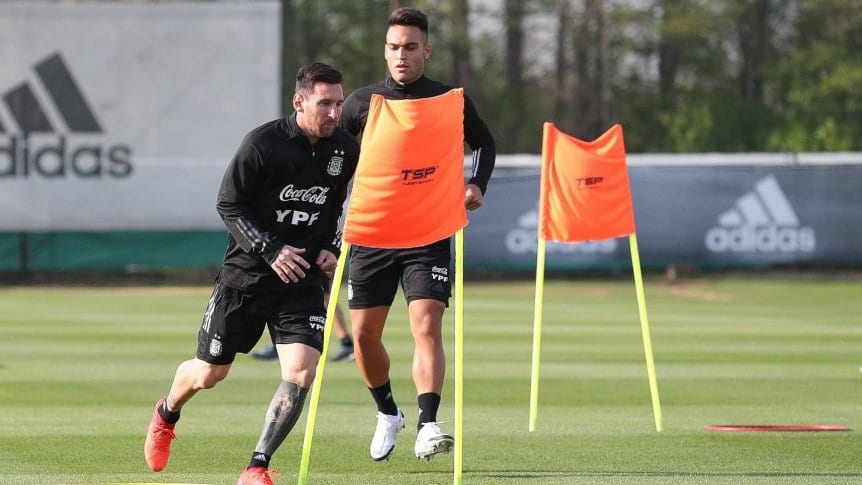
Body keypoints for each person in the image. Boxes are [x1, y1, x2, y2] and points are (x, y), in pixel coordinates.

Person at [144, 62, 359, 485]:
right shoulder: (262, 144)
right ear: (299, 101)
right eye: (324, 103)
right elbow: (229, 205)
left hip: (300, 281)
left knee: (300, 371)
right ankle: (167, 411)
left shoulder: (345, 150)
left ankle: (257, 466)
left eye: (338, 103)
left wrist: (332, 247)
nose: (334, 113)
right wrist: (270, 249)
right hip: (245, 279)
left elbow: (337, 207)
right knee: (210, 373)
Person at [339, 7, 496, 462]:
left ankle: (429, 424)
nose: (401, 55)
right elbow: (337, 159)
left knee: (426, 324)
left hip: (427, 233)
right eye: (393, 48)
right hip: (372, 233)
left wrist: (475, 184)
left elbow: (485, 142)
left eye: (410, 47)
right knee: (366, 335)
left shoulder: (450, 99)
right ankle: (388, 413)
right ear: (384, 52)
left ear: (425, 50)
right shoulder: (361, 103)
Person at [252, 289, 354, 362]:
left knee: (321, 293)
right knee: (288, 291)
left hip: (312, 261)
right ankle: (280, 342)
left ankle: (346, 343)